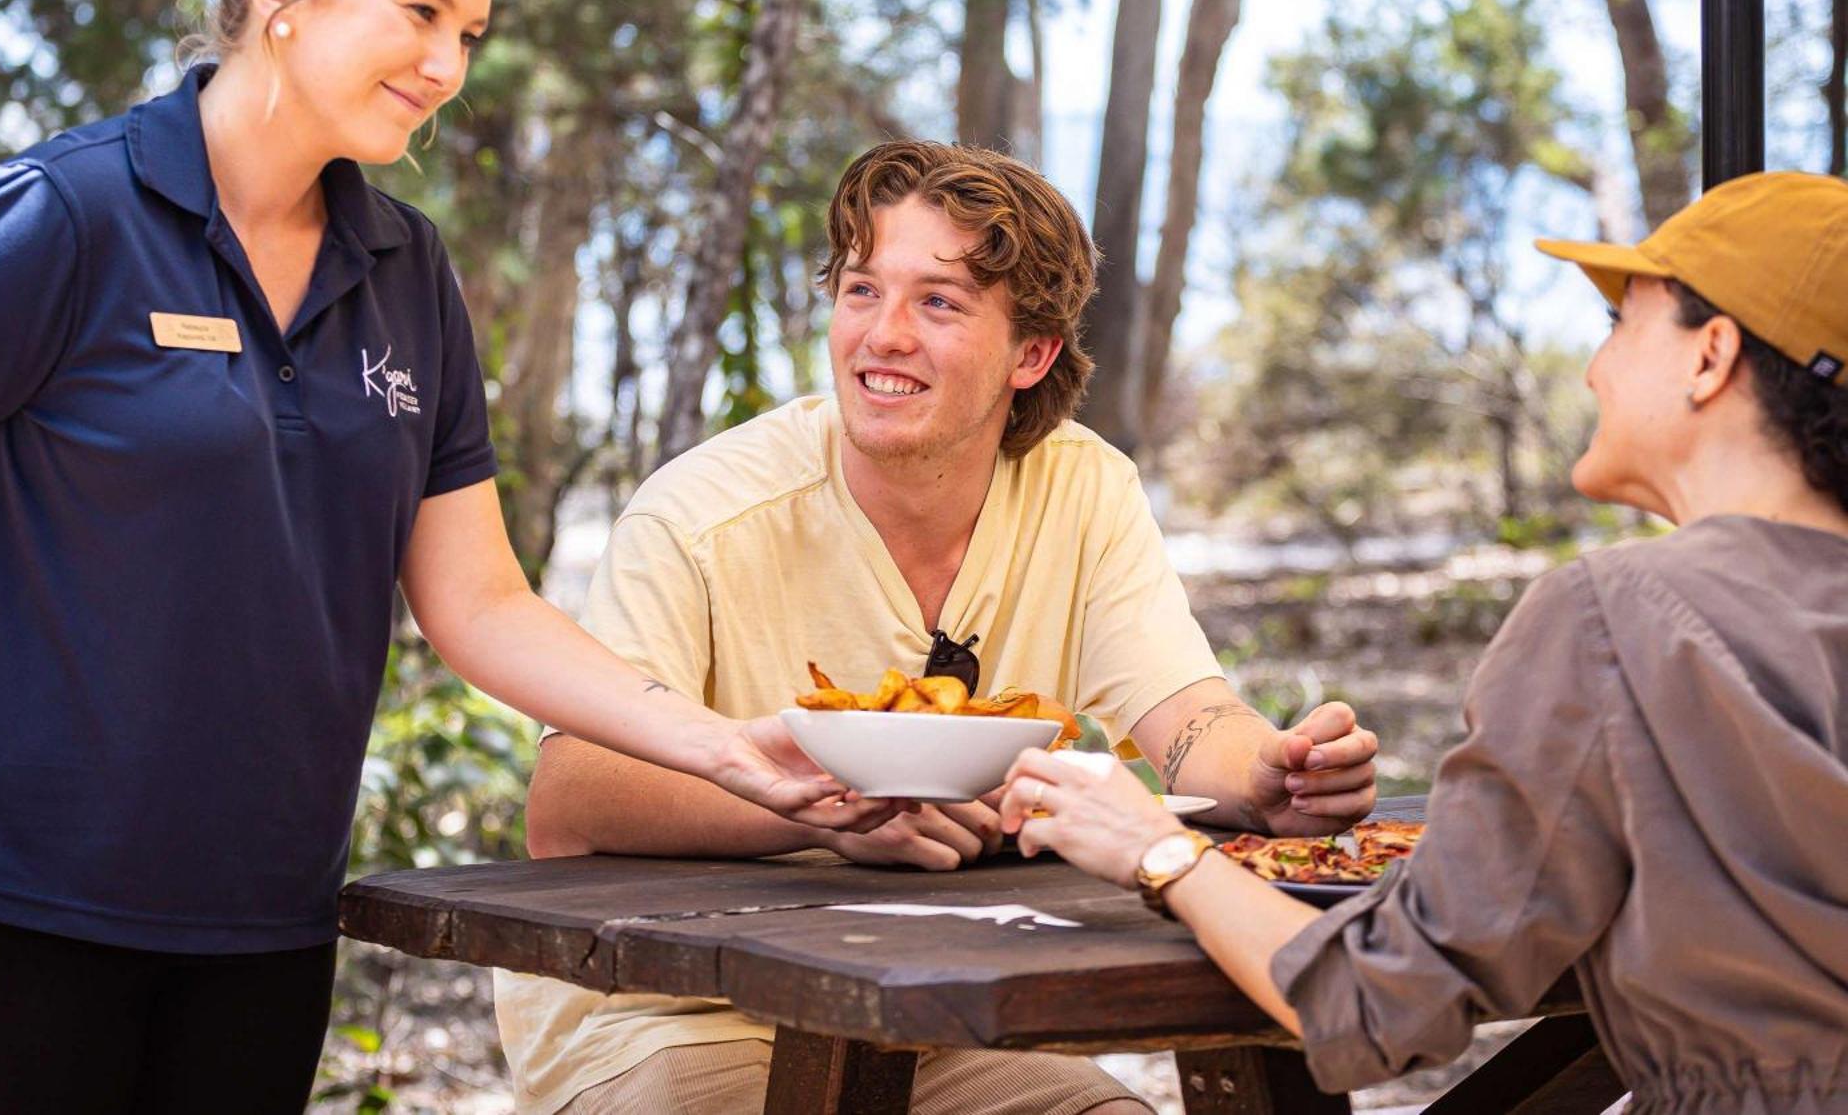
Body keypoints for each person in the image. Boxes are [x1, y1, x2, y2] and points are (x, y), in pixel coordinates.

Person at [0, 0, 885, 1115]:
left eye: (471, 33)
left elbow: (482, 603)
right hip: (0, 907)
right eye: (422, 14)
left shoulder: (408, 271)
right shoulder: (59, 222)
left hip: (263, 920)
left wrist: (723, 747)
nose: (449, 66)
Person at [498, 140, 1382, 1115]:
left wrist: (1269, 771)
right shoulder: (702, 513)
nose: (882, 334)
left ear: (1030, 353)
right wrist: (832, 812)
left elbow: (1183, 715)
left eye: (938, 302)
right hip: (671, 1009)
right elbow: (568, 802)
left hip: (935, 1010)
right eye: (861, 290)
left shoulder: (1081, 491)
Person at [1001, 170, 1848, 1114]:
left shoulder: (1617, 618)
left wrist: (1157, 848)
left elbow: (1382, 1006)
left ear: (1711, 357)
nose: (1592, 369)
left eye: (1620, 326)